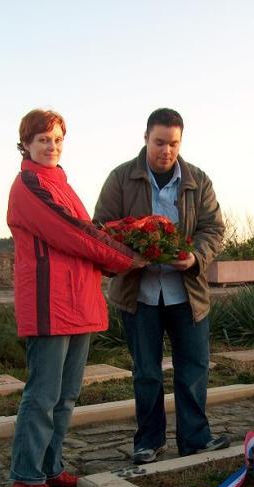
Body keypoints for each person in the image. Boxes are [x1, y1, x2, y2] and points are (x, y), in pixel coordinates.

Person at [8, 108, 145, 487]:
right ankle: (26, 475)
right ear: (26, 144)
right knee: (43, 394)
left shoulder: (60, 181)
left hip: (78, 299)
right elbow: (73, 234)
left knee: (66, 395)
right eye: (42, 140)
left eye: (57, 139)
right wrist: (124, 258)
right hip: (49, 303)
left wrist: (125, 240)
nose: (51, 146)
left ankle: (50, 466)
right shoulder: (29, 184)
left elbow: (89, 231)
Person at [94, 107, 228, 463]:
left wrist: (195, 257)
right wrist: (128, 256)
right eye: (158, 142)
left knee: (193, 369)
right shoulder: (121, 178)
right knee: (148, 373)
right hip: (139, 295)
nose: (165, 151)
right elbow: (101, 229)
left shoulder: (198, 180)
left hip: (187, 293)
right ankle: (148, 441)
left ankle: (196, 439)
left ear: (180, 142)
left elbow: (213, 229)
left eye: (173, 144)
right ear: (145, 138)